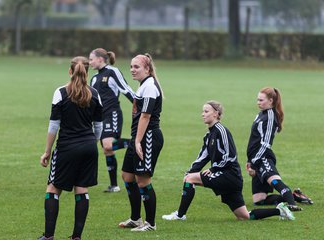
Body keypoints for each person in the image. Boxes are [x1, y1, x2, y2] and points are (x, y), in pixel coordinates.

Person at [162, 101, 295, 222]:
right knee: (244, 216)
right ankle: (280, 210)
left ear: (216, 114)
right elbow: (202, 157)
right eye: (202, 111)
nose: (203, 114)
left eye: (206, 111)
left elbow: (230, 156)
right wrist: (190, 171)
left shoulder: (222, 131)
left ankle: (180, 215)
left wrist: (213, 169)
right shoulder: (209, 135)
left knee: (190, 180)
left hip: (229, 175)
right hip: (228, 179)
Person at [38, 56, 103, 240]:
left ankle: (48, 236)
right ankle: (76, 237)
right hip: (89, 147)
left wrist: (47, 151)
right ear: (87, 72)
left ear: (70, 71)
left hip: (67, 147)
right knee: (81, 189)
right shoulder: (95, 94)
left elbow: (53, 126)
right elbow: (98, 127)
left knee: (53, 190)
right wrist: (92, 142)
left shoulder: (61, 92)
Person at [118, 53, 164, 231]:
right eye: (131, 66)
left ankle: (150, 223)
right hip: (138, 137)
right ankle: (136, 218)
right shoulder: (143, 85)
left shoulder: (150, 86)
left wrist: (137, 141)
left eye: (136, 67)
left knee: (143, 180)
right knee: (127, 176)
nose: (132, 70)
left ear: (147, 69)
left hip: (148, 137)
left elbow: (145, 116)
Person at [245, 87, 309, 210]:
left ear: (271, 101)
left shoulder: (270, 117)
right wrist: (250, 160)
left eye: (261, 100)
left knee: (274, 181)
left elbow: (266, 143)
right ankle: (295, 196)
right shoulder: (261, 114)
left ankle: (292, 204)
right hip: (255, 158)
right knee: (259, 201)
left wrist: (254, 162)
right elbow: (254, 139)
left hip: (262, 156)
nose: (258, 102)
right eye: (257, 100)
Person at [89, 48, 135, 193]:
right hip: (99, 118)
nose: (89, 62)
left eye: (91, 59)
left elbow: (126, 89)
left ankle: (135, 143)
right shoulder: (94, 78)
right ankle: (114, 185)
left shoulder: (112, 72)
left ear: (100, 59)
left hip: (112, 114)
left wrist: (140, 107)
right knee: (107, 151)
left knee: (108, 146)